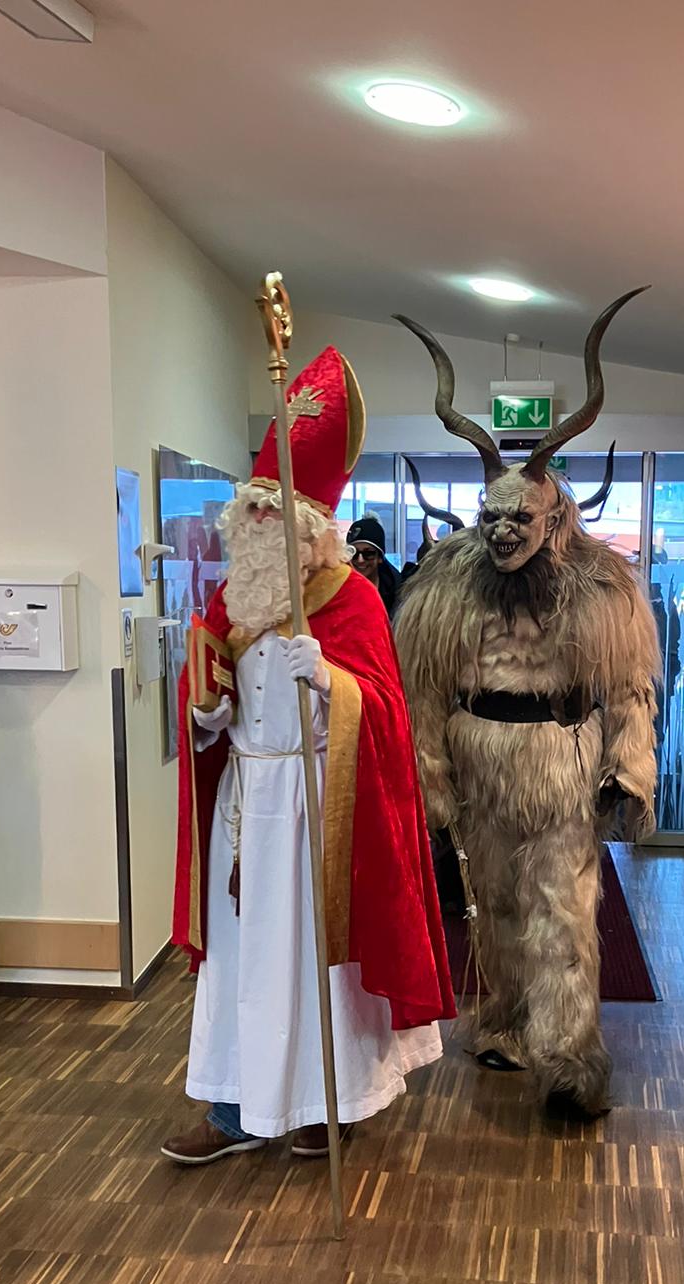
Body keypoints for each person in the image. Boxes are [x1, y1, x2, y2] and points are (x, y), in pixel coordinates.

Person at [164, 346, 454, 1164]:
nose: (257, 529)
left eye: (273, 518)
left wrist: (331, 681)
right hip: (243, 808)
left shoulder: (352, 599)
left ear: (311, 533)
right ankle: (233, 1108)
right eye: (251, 516)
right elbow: (208, 699)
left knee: (310, 963)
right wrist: (208, 716)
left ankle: (330, 1103)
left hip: (314, 808)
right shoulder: (230, 599)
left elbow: (388, 714)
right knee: (242, 961)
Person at [394, 291, 660, 1117]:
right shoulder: (445, 585)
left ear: (554, 516)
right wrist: (431, 778)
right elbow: (423, 690)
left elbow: (629, 688)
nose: (504, 530)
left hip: (559, 769)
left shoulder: (602, 589)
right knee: (496, 906)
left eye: (521, 516)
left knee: (563, 910)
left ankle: (571, 1059)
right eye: (492, 515)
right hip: (482, 771)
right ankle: (508, 1022)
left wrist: (630, 769)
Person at [346, 516, 402, 617]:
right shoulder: (337, 588)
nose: (360, 560)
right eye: (354, 553)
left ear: (380, 557)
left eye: (368, 554)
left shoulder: (397, 593)